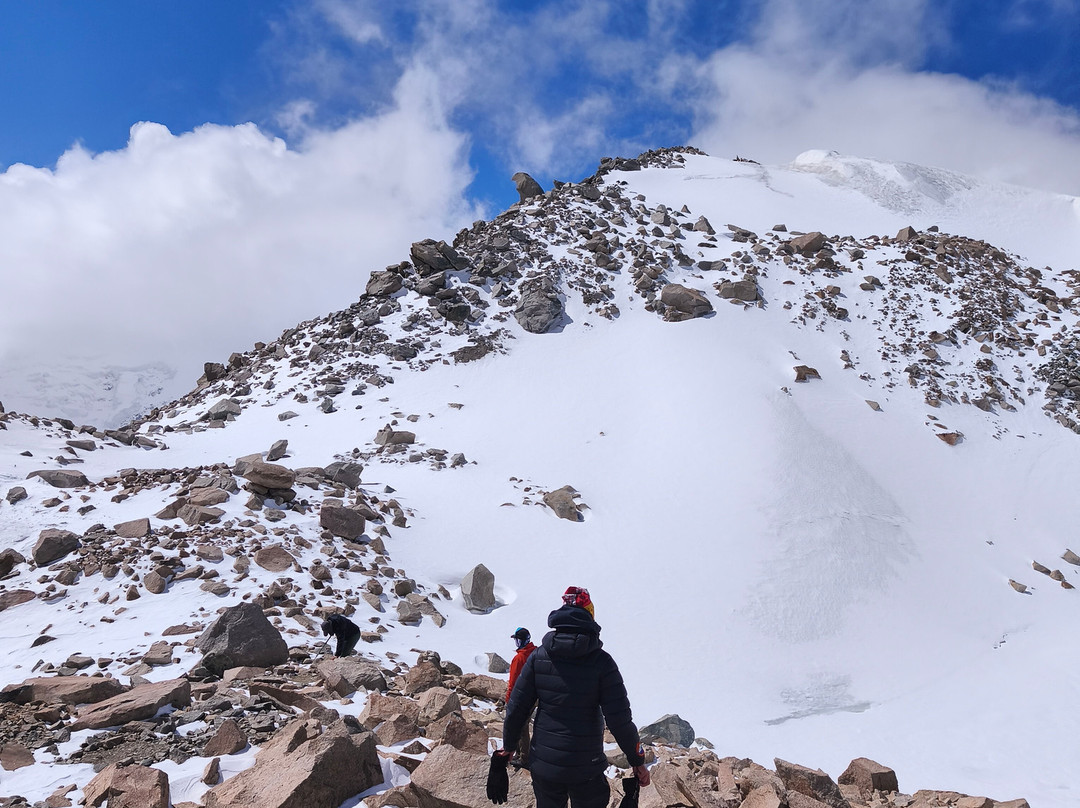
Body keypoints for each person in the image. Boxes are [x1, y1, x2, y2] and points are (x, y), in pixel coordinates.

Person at [488, 587, 651, 808]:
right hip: (586, 767)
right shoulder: (602, 663)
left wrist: (507, 748)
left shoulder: (538, 657)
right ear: (589, 615)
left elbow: (517, 707)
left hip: (545, 765)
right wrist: (637, 761)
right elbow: (619, 720)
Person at [506, 627, 537, 768]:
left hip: (520, 696)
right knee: (523, 724)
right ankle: (521, 753)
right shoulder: (535, 652)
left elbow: (513, 681)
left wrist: (508, 699)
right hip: (534, 695)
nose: (517, 643)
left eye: (518, 640)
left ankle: (524, 757)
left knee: (520, 726)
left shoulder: (519, 658)